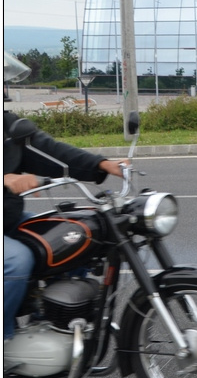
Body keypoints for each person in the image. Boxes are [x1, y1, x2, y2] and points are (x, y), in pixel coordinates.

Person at [3, 51, 125, 343]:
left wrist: (100, 164)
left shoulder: (7, 126)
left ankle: (48, 324)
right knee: (15, 260)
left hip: (7, 219)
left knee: (73, 237)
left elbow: (50, 151)